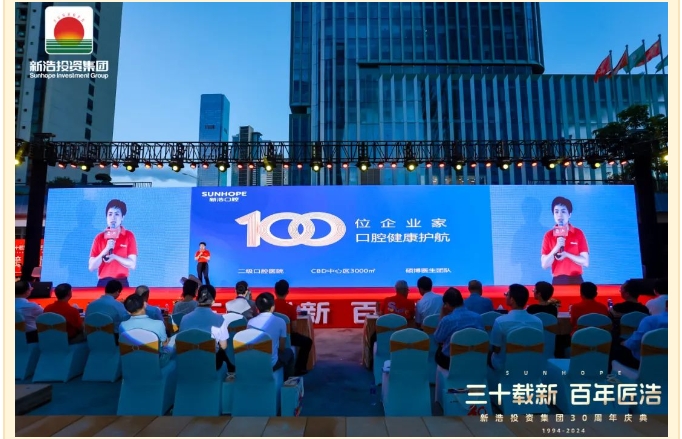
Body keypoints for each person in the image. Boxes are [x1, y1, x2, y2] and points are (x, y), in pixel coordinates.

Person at [489, 284, 544, 371]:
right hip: (531, 364)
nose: (505, 296)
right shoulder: (538, 322)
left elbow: (496, 349)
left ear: (512, 300)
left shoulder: (500, 321)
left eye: (507, 294)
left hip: (505, 366)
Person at [180, 284, 233, 372]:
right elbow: (224, 346)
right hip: (210, 363)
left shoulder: (184, 319)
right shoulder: (220, 319)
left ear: (197, 299)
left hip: (187, 361)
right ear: (213, 301)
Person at [88, 199, 138, 287]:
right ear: (106, 217)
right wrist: (106, 250)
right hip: (103, 282)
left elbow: (132, 264)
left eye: (117, 214)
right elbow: (91, 267)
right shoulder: (99, 237)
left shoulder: (129, 235)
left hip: (121, 282)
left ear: (122, 217)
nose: (113, 218)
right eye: (110, 214)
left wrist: (115, 257)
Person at [540, 196, 589, 285]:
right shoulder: (548, 235)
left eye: (563, 211)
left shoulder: (578, 233)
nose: (559, 215)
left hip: (576, 279)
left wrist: (566, 255)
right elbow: (544, 265)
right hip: (558, 280)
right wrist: (556, 247)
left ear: (569, 214)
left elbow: (585, 262)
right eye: (556, 211)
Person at [432, 288, 484, 370]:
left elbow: (437, 338)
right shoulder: (478, 318)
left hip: (450, 361)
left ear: (447, 304)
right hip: (474, 358)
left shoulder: (447, 320)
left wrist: (442, 315)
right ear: (462, 300)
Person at [248, 292, 295, 379]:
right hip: (272, 364)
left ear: (257, 308)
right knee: (290, 352)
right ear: (273, 307)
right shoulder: (281, 321)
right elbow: (282, 348)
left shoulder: (250, 322)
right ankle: (288, 381)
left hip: (256, 361)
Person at [120, 293, 174, 367]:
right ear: (145, 304)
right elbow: (164, 344)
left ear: (128, 311)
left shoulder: (122, 325)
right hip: (155, 362)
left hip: (133, 360)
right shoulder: (159, 324)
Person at [612, 300, 667, 370]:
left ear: (666, 305)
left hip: (644, 362)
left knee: (612, 346)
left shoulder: (650, 320)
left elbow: (634, 343)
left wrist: (624, 343)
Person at [274, 280, 313, 376]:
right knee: (307, 341)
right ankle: (300, 368)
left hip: (271, 336)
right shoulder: (291, 308)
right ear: (287, 292)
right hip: (287, 337)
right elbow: (294, 328)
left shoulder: (270, 306)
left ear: (275, 291)